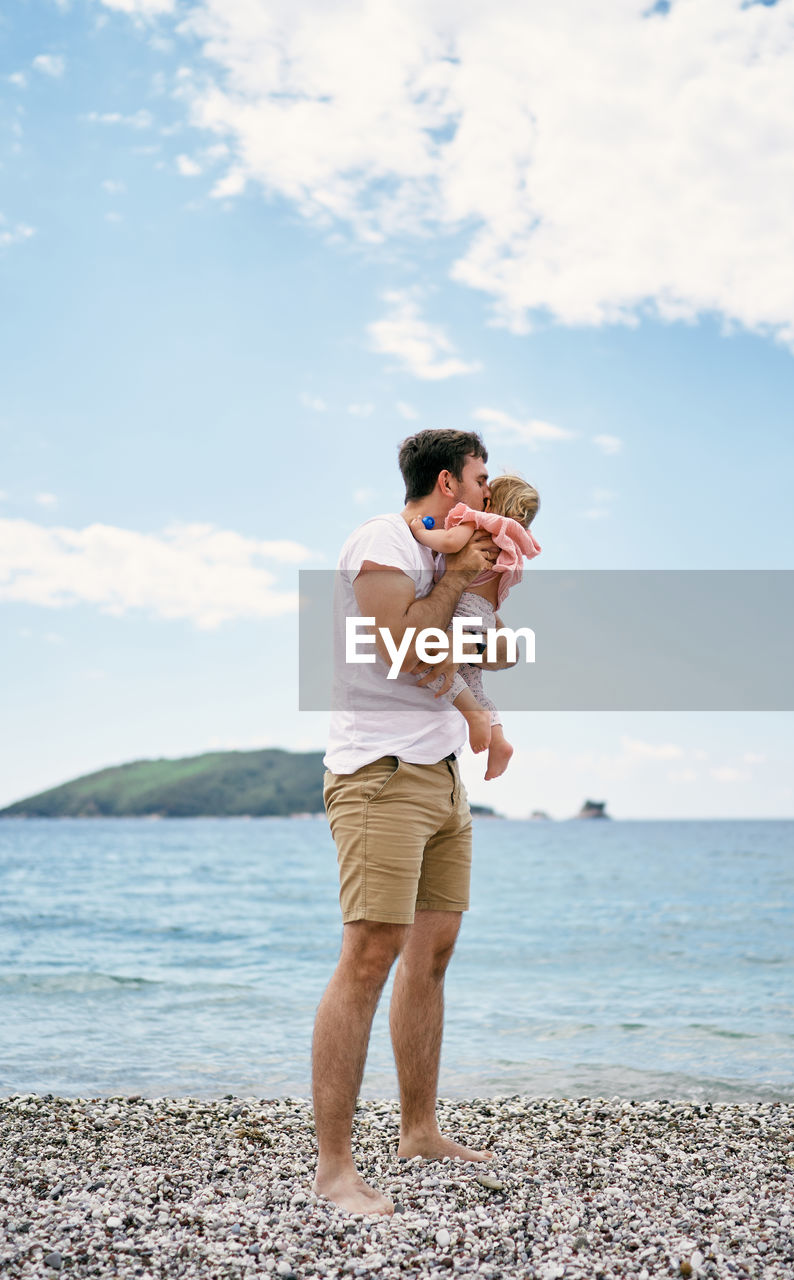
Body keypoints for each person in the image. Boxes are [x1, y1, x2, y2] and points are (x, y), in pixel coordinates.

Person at [312, 428, 518, 1216]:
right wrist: (456, 582)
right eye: (480, 478)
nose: (489, 494)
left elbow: (486, 656)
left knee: (430, 956)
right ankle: (334, 1170)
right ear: (446, 482)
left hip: (440, 775)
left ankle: (418, 1131)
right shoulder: (382, 540)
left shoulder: (446, 559)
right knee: (368, 955)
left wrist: (475, 587)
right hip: (380, 773)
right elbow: (402, 649)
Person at [410, 473, 541, 780]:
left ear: (492, 502)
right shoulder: (512, 539)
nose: (481, 492)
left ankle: (474, 714)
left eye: (486, 488)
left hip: (463, 607)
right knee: (472, 681)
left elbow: (450, 540)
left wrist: (420, 531)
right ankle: (498, 739)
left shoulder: (480, 523)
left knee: (427, 660)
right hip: (484, 615)